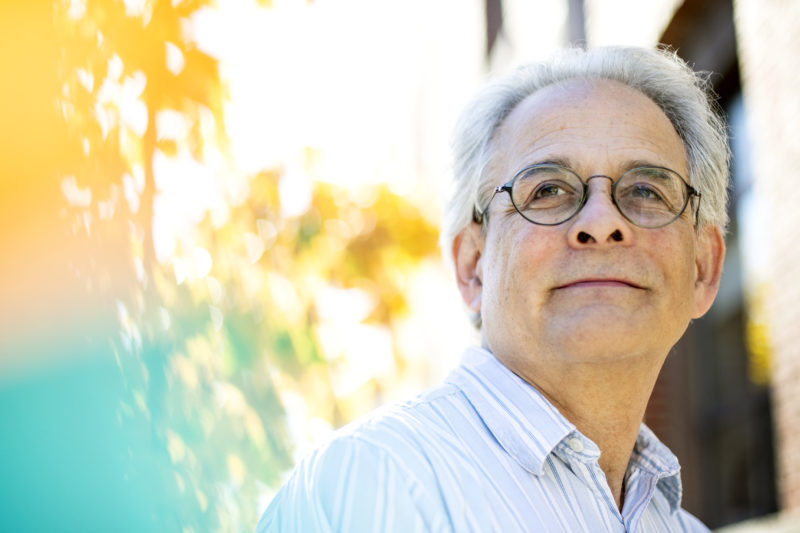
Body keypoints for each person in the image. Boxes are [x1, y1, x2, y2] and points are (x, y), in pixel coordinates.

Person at [256, 46, 728, 532]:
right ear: (473, 266)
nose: (603, 222)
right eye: (548, 190)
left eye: (647, 190)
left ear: (703, 268)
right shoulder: (369, 483)